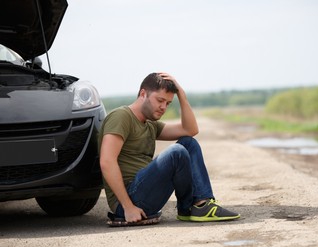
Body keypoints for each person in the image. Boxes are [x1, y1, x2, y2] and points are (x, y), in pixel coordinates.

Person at [99, 72, 240, 225]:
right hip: (127, 201)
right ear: (143, 94)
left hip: (145, 192)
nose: (163, 107)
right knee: (176, 153)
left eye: (168, 103)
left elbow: (190, 130)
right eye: (160, 100)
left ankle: (198, 205)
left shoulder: (149, 123)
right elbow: (107, 161)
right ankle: (188, 207)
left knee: (188, 143)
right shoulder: (121, 117)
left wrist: (182, 95)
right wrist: (128, 207)